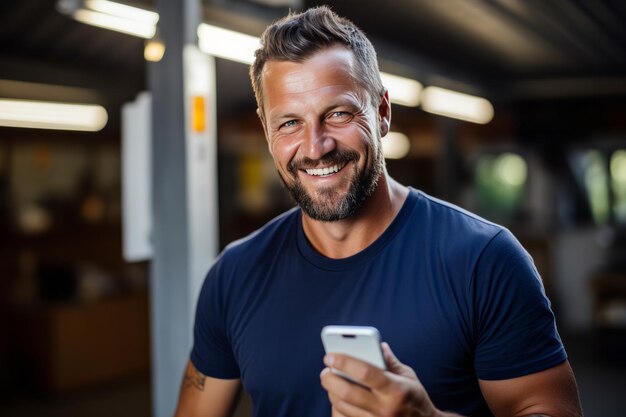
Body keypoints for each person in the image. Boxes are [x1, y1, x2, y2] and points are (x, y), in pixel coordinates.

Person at [175, 6, 582, 417]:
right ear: (266, 130)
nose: (316, 147)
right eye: (290, 123)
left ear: (383, 111)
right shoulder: (234, 275)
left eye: (338, 114)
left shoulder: (483, 260)